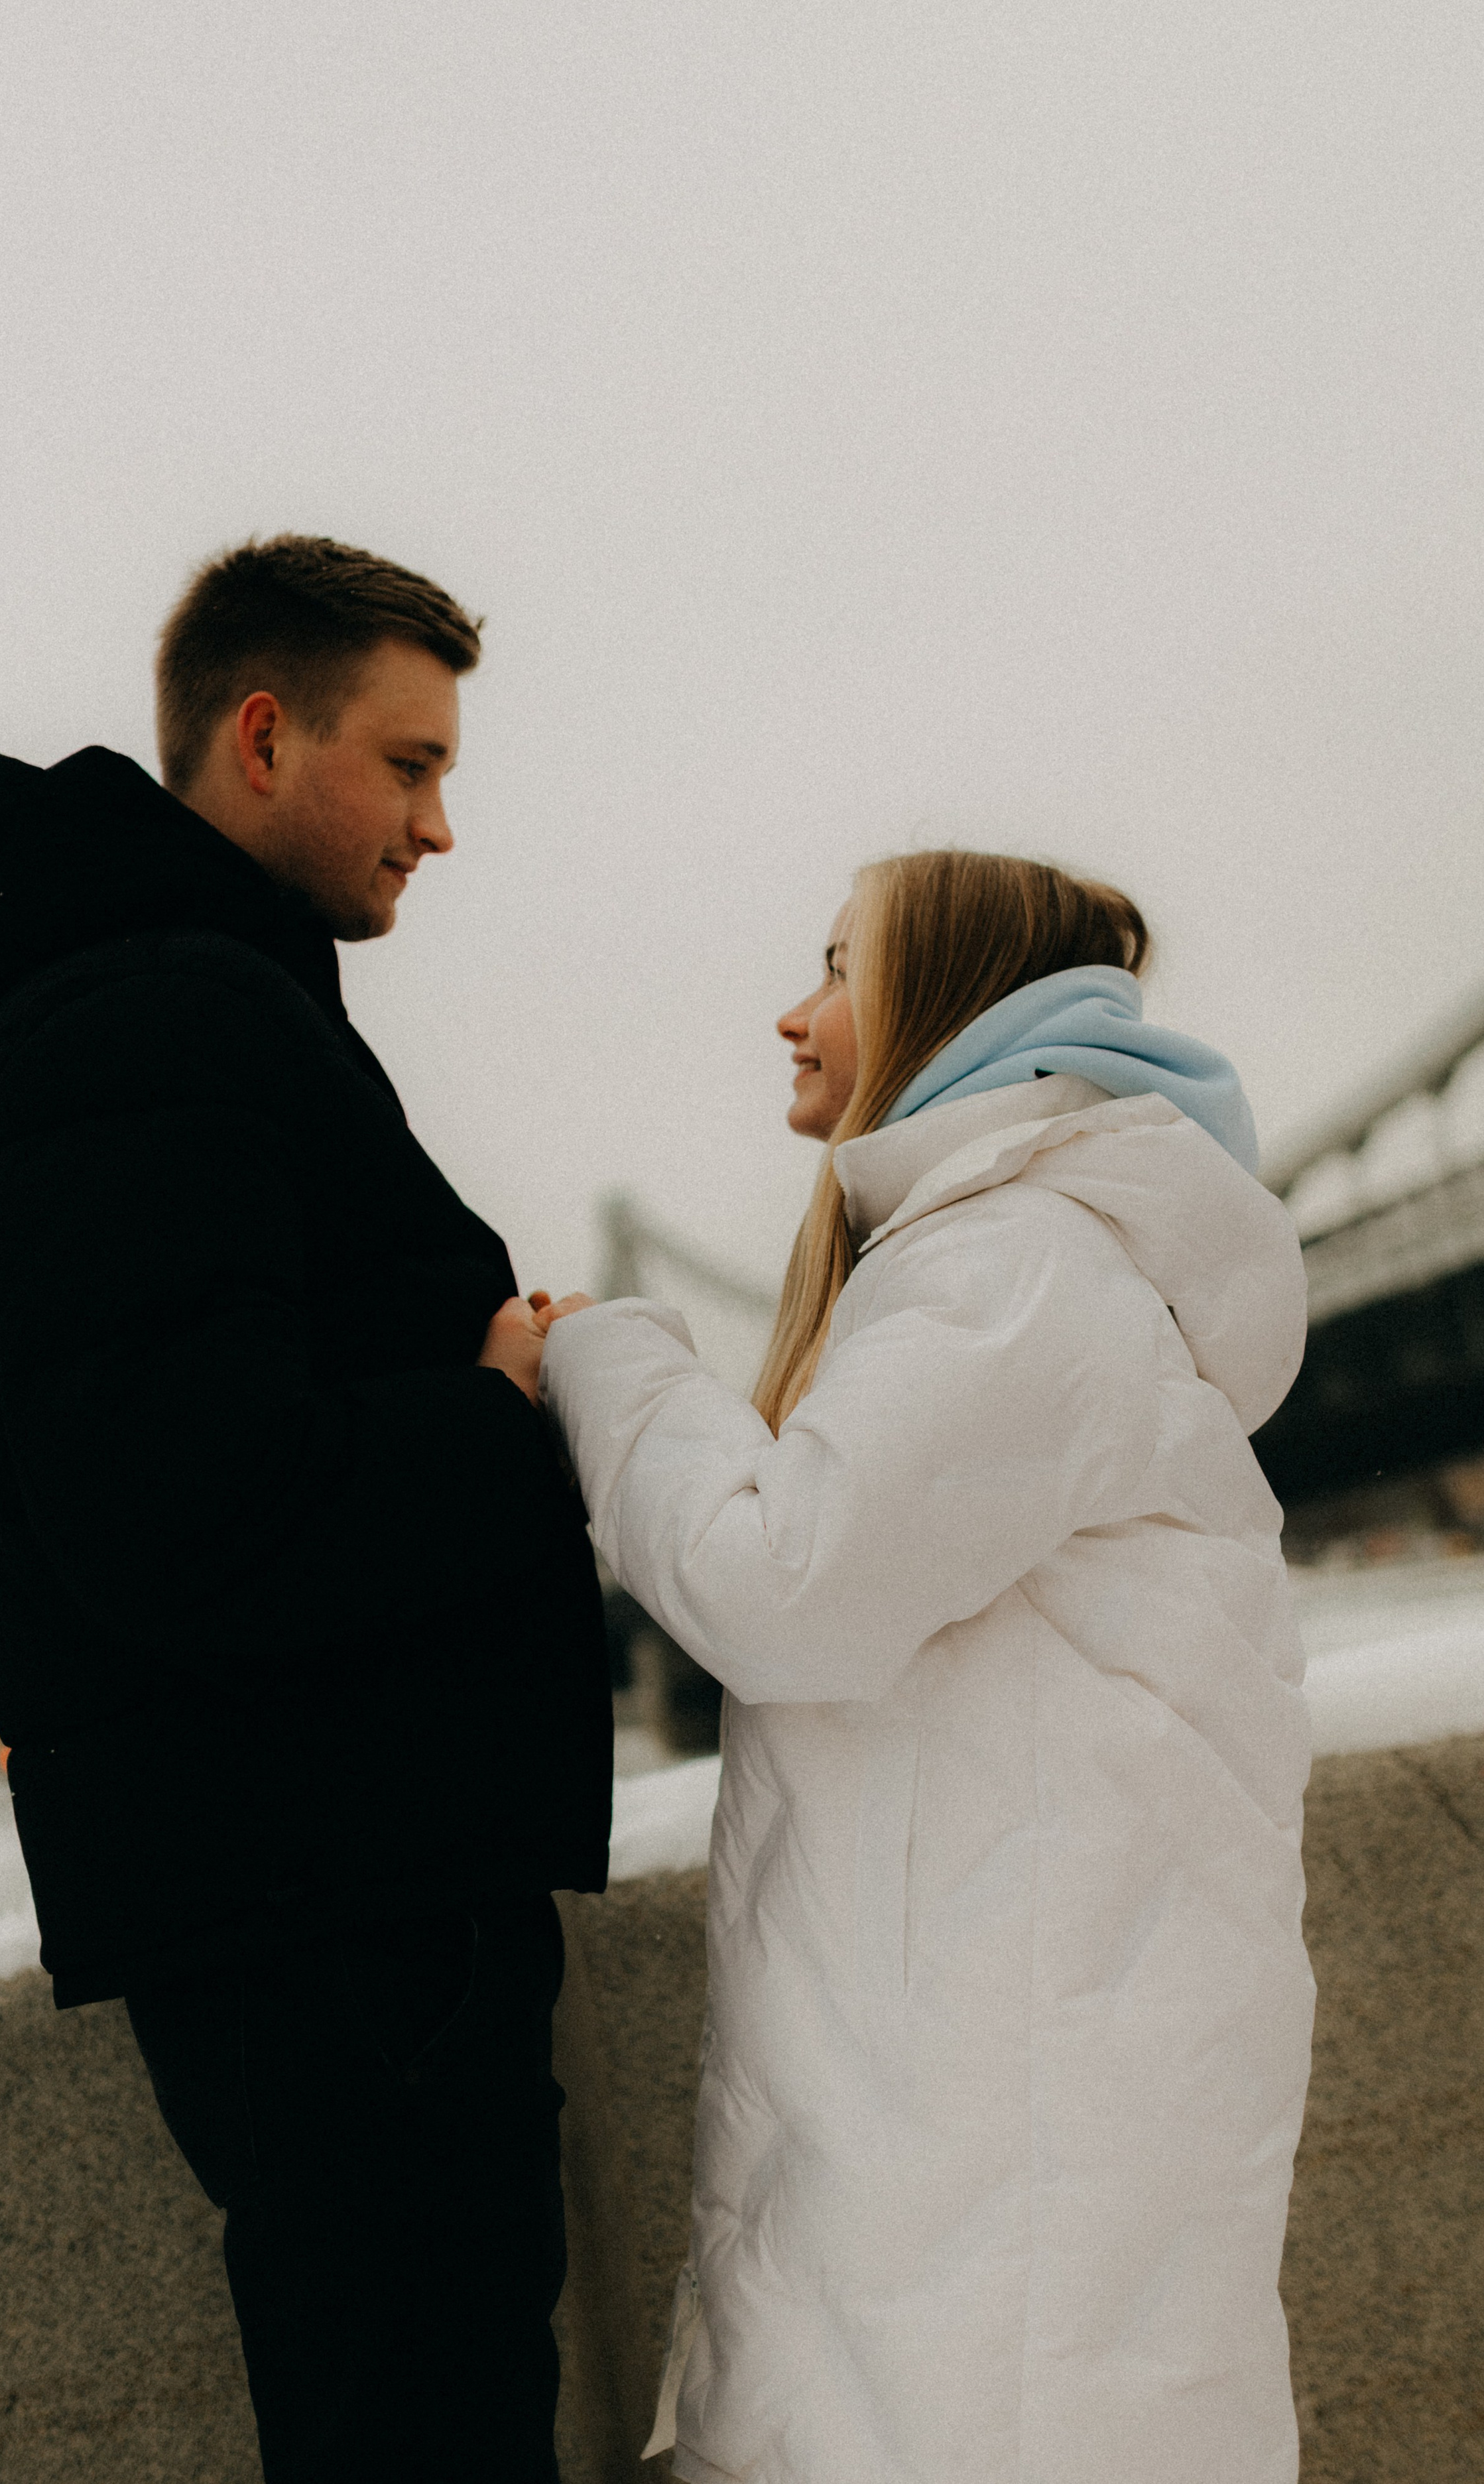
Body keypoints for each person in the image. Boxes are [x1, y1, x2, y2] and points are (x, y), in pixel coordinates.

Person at [0, 535, 611, 2483]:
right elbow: (189, 1507)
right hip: (336, 1920)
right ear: (264, 738)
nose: (440, 826)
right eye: (410, 765)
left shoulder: (158, 1006)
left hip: (313, 1898)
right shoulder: (153, 1023)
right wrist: (495, 1409)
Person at [531, 850, 1315, 2484]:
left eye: (838, 967)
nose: (792, 1011)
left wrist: (610, 1360)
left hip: (995, 2165)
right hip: (997, 2127)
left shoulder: (1012, 1271)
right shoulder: (1020, 1261)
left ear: (944, 1004)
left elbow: (781, 1586)